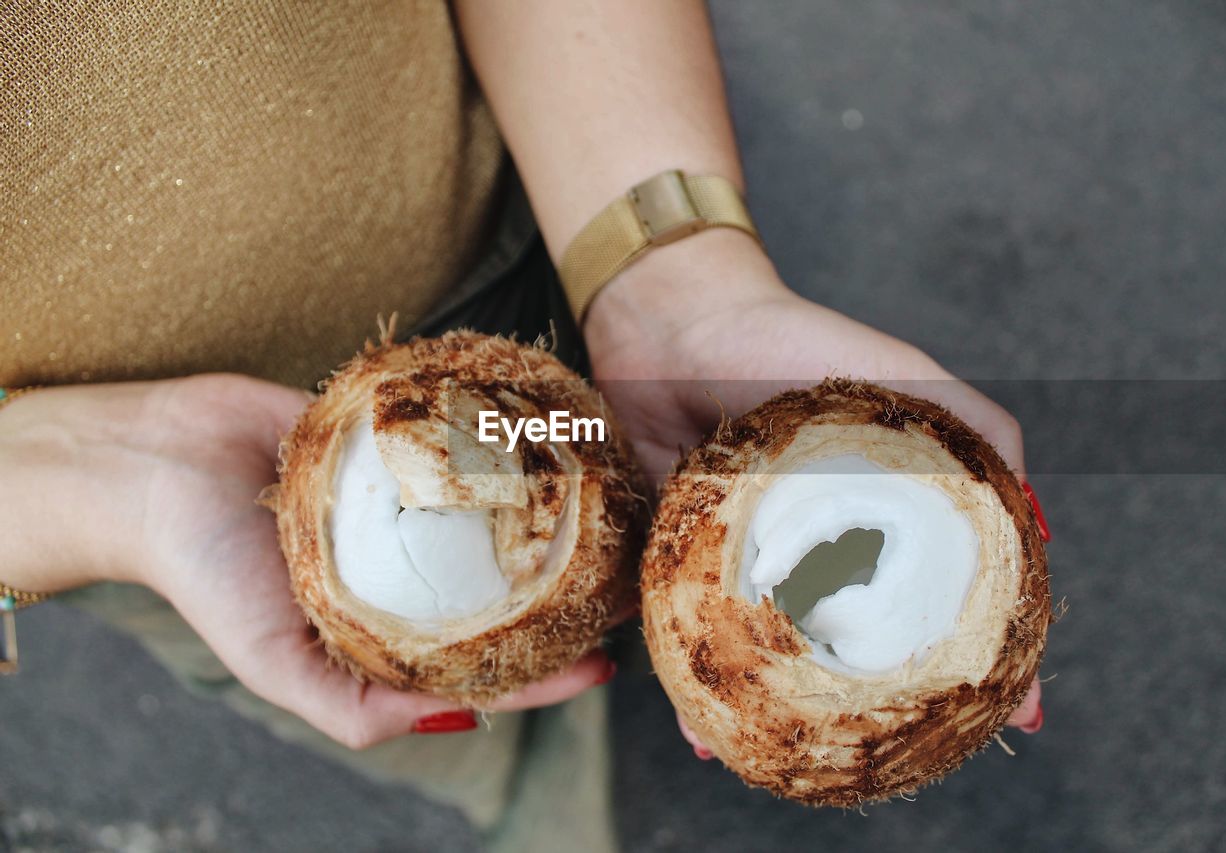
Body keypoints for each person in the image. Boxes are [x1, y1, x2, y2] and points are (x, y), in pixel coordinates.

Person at [1, 2, 1044, 850]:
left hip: (534, 201)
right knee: (502, 734)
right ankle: (548, 793)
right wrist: (85, 479)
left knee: (602, 470)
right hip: (99, 487)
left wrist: (670, 266)